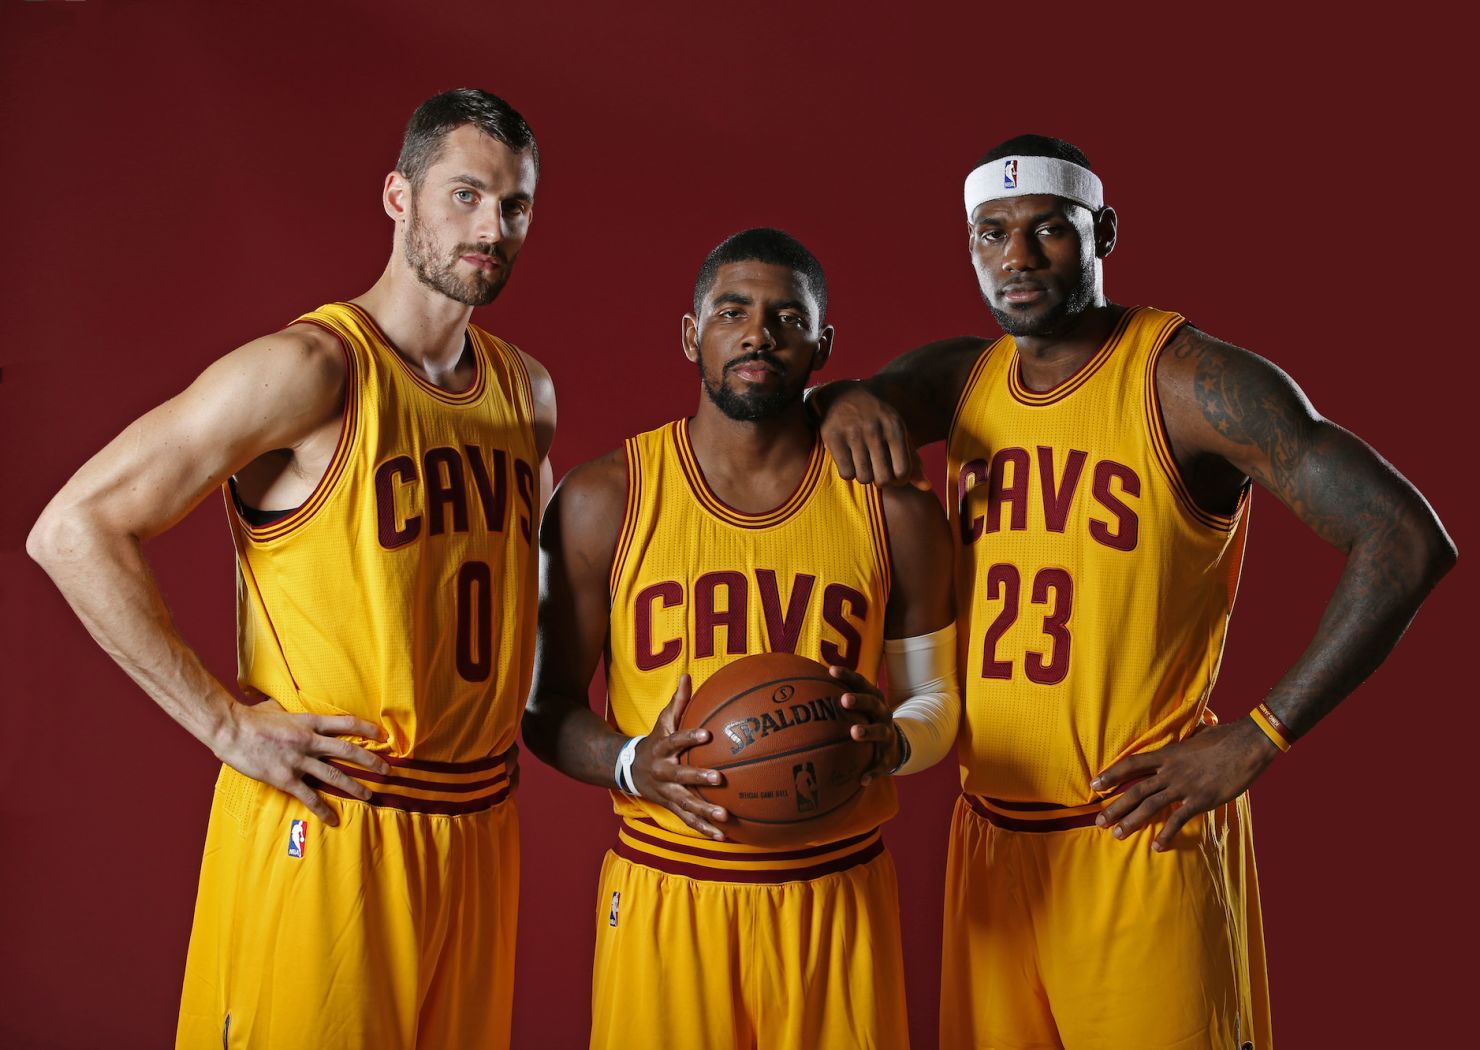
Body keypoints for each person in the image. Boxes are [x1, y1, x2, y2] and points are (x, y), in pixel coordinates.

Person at [814, 135, 1457, 1049]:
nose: (1017, 259)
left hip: (1138, 839)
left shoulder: (1190, 382)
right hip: (991, 841)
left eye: (1048, 232)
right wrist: (843, 395)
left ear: (1103, 230)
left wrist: (1262, 734)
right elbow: (838, 405)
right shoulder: (961, 378)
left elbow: (1403, 537)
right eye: (991, 235)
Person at [27, 88, 553, 1049]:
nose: (493, 226)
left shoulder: (525, 392)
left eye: (514, 205)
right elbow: (74, 528)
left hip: (477, 826)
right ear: (399, 196)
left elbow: (544, 586)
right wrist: (225, 724)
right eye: (466, 195)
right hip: (340, 824)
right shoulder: (314, 369)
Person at [523, 228, 958, 1050]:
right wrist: (630, 764)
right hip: (667, 892)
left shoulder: (894, 509)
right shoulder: (605, 497)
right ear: (692, 334)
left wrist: (892, 744)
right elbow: (545, 710)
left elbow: (938, 698)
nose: (759, 333)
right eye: (733, 311)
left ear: (823, 346)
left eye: (787, 317)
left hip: (835, 892)